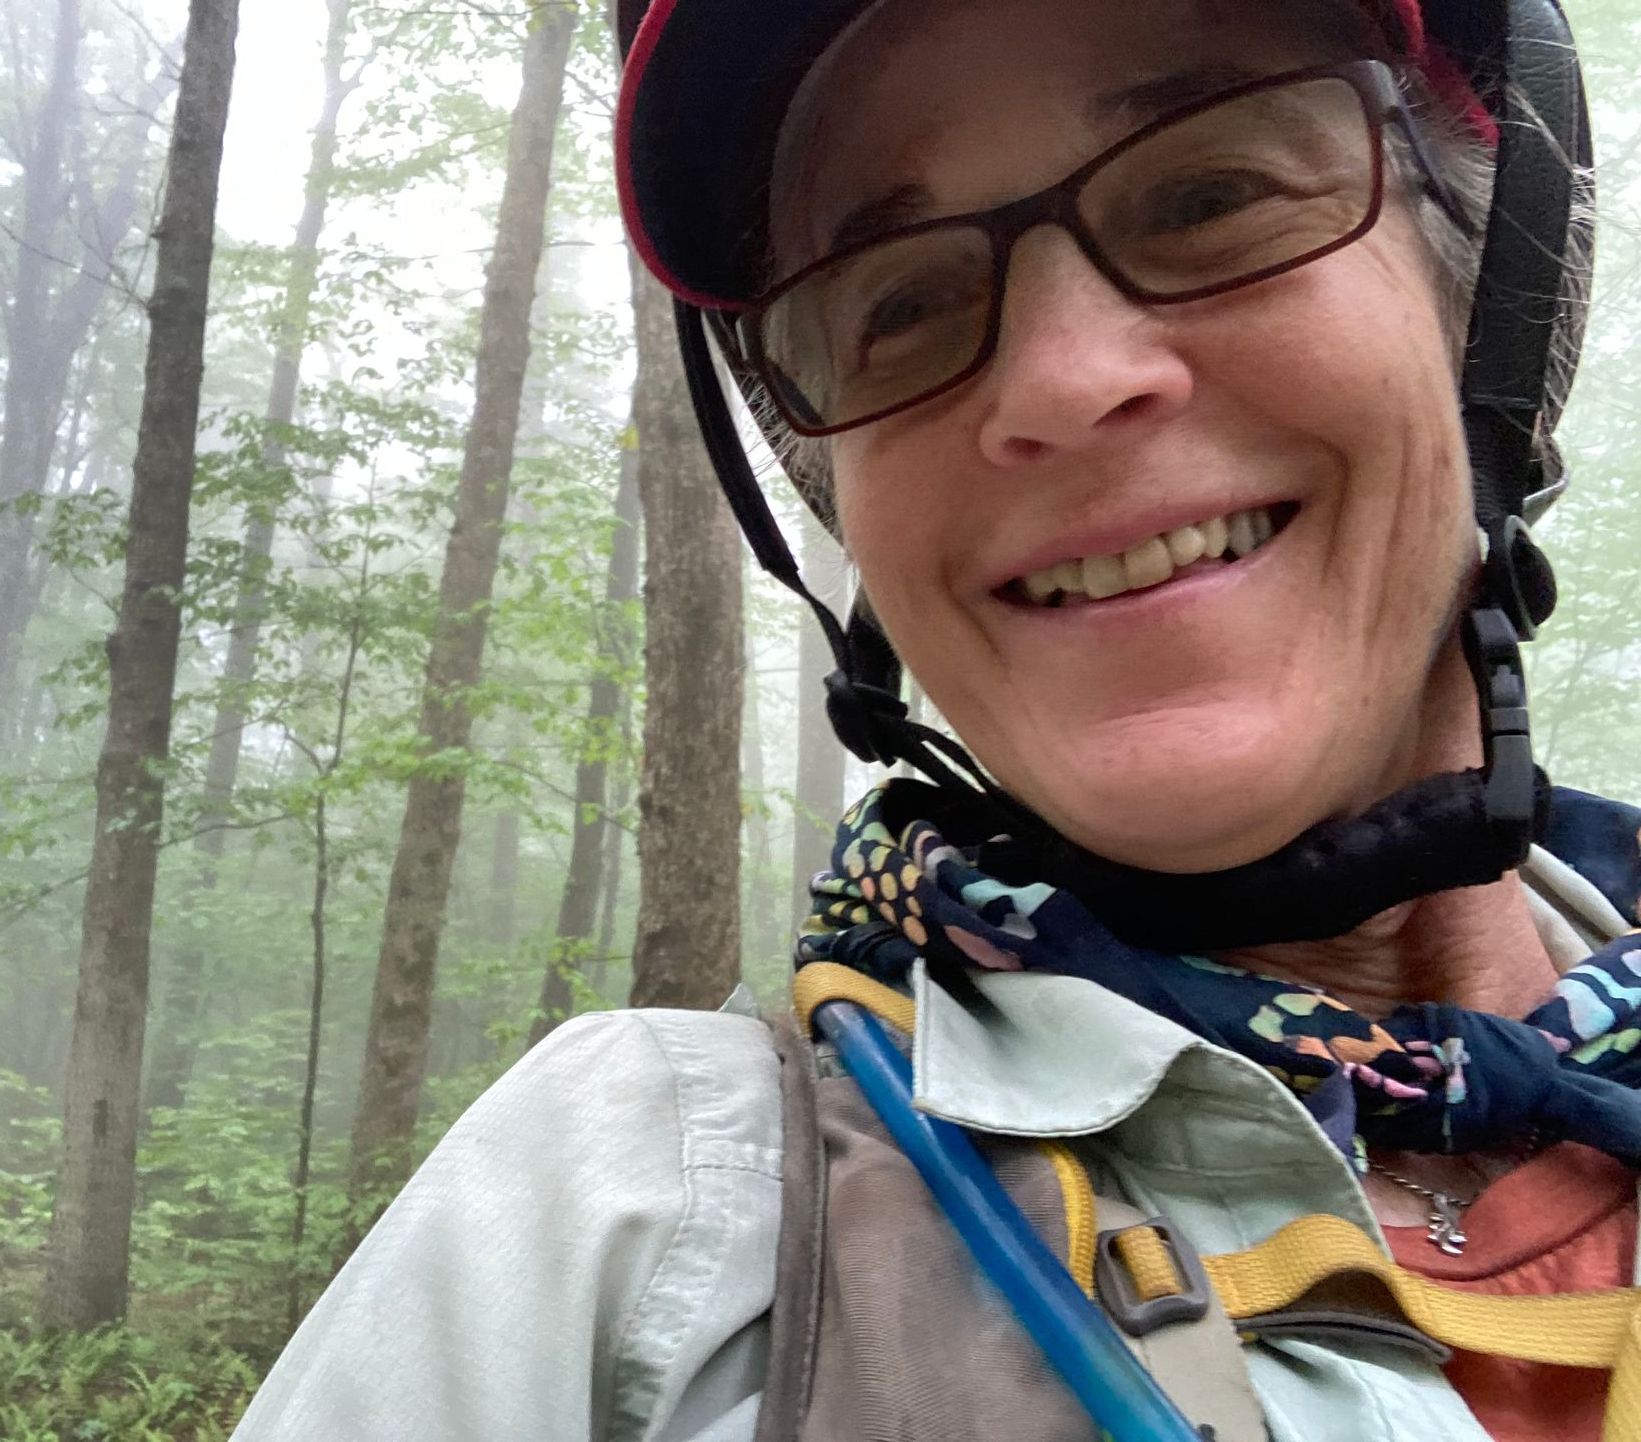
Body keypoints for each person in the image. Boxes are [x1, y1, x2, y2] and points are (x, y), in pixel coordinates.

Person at [231, 0, 1641, 1438]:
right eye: (897, 304)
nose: (1063, 382)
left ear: (1492, 305)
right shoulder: (625, 1230)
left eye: (1207, 197)